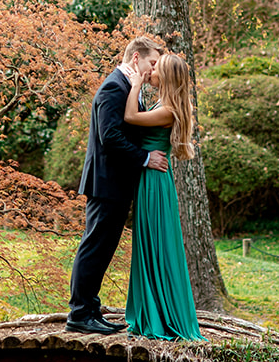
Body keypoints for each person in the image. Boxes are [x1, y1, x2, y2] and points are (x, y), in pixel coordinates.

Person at [67, 36, 167, 335]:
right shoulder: (114, 86)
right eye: (152, 63)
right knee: (94, 247)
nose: (153, 70)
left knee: (102, 247)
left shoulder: (128, 86)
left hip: (115, 184)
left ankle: (91, 310)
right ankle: (80, 314)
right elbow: (109, 137)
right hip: (106, 183)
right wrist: (145, 157)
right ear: (136, 58)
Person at [122, 52, 205, 341]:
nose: (151, 70)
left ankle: (160, 316)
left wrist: (134, 84)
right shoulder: (163, 104)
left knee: (155, 243)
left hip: (155, 184)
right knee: (149, 243)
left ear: (166, 77)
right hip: (152, 179)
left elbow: (130, 117)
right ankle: (153, 308)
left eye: (156, 67)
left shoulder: (167, 109)